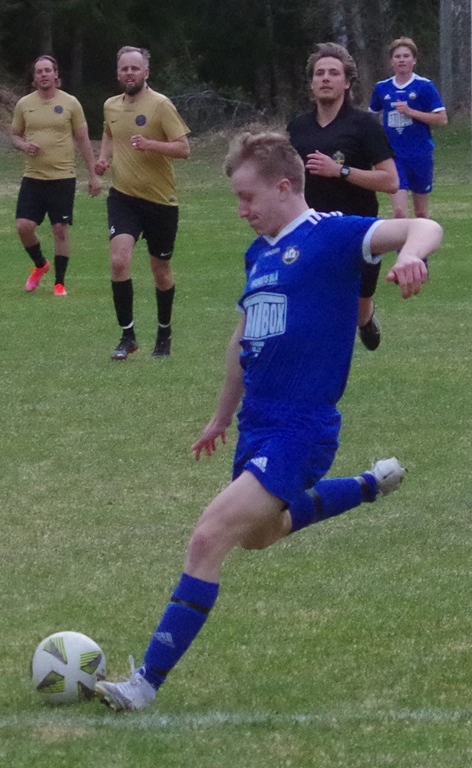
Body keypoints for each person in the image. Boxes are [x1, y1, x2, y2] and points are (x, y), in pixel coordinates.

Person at [94, 131, 443, 712]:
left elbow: (424, 228)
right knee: (261, 534)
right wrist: (219, 417)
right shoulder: (257, 256)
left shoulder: (332, 236)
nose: (242, 210)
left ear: (285, 186)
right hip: (257, 425)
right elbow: (241, 340)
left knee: (209, 537)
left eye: (247, 196)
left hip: (301, 429)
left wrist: (409, 255)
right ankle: (366, 485)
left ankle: (143, 686)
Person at [287, 42, 398, 352]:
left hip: (357, 230)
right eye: (319, 73)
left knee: (359, 307)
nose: (325, 78)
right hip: (311, 229)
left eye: (333, 73)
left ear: (347, 82)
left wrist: (341, 171)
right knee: (315, 302)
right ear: (311, 82)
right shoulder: (298, 127)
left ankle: (366, 319)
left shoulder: (363, 125)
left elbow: (391, 181)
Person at [94, 46, 191, 360]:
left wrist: (150, 144)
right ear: (118, 73)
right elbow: (109, 134)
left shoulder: (161, 105)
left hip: (160, 201)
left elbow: (184, 148)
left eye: (135, 68)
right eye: (124, 69)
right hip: (123, 197)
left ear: (146, 72)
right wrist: (102, 159)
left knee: (160, 270)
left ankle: (164, 333)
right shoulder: (110, 105)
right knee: (119, 261)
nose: (129, 73)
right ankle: (128, 337)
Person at [10, 55, 101, 295]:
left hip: (62, 177)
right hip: (33, 176)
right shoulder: (24, 104)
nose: (43, 75)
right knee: (23, 226)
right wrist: (24, 146)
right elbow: (15, 135)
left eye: (47, 70)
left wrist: (93, 175)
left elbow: (83, 139)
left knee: (60, 229)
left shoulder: (71, 103)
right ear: (34, 77)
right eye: (39, 71)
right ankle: (40, 264)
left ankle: (60, 282)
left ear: (56, 74)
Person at [369, 37, 447, 220]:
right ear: (391, 61)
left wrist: (411, 112)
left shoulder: (424, 86)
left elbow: (442, 119)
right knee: (399, 212)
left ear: (414, 60)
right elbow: (371, 116)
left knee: (421, 213)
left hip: (420, 155)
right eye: (397, 56)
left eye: (406, 56)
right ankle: (402, 249)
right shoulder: (382, 88)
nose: (402, 60)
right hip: (394, 157)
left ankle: (420, 247)